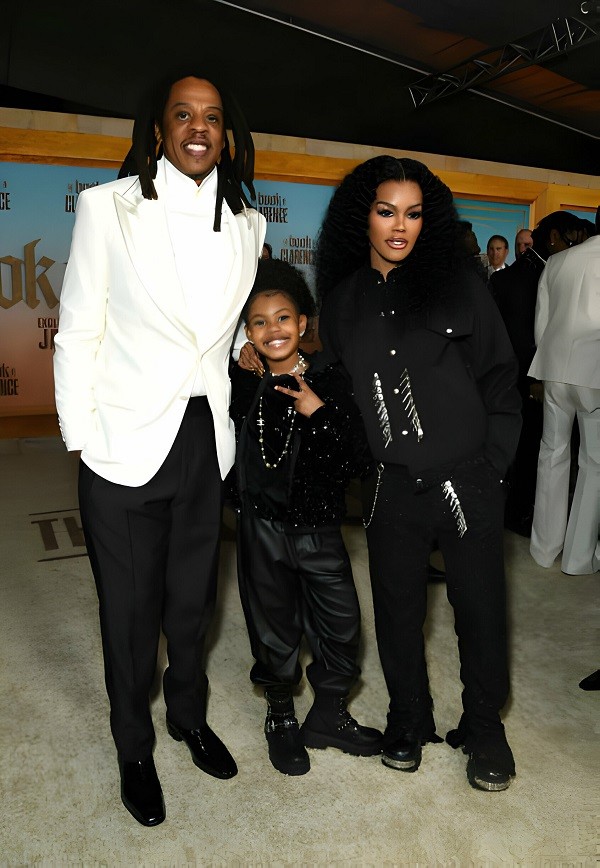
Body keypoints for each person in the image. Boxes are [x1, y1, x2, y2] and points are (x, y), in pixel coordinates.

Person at [53, 71, 266, 826]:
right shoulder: (107, 208)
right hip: (122, 444)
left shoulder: (249, 221)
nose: (198, 128)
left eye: (212, 116)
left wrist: (246, 345)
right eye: (184, 115)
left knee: (191, 604)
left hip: (206, 441)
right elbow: (79, 326)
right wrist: (81, 437)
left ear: (226, 134)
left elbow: (221, 322)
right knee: (129, 616)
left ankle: (187, 716)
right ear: (159, 129)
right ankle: (134, 746)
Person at [315, 155, 522, 791]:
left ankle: (485, 727)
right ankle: (410, 716)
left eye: (412, 213)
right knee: (398, 609)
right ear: (364, 217)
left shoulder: (462, 286)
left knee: (481, 610)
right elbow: (344, 394)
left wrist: (491, 469)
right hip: (390, 487)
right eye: (385, 212)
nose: (399, 226)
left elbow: (500, 381)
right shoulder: (344, 302)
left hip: (468, 479)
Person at [229, 258, 383, 776]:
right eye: (260, 321)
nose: (274, 330)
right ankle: (281, 716)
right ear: (246, 332)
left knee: (342, 627)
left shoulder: (332, 382)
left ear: (303, 323)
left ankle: (330, 713)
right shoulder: (242, 383)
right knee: (273, 628)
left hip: (319, 528)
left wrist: (317, 411)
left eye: (284, 318)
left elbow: (358, 460)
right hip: (261, 530)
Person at [489, 211, 582, 536]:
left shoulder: (505, 278)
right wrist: (536, 379)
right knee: (535, 451)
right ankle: (524, 517)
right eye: (572, 236)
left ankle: (508, 513)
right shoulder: (553, 273)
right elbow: (540, 334)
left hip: (504, 379)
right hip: (538, 379)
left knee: (514, 450)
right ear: (555, 237)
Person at [528, 207, 600, 575]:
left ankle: (543, 549)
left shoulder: (557, 263)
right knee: (594, 465)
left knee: (551, 455)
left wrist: (546, 370)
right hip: (594, 374)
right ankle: (578, 558)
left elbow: (542, 323)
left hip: (554, 370)